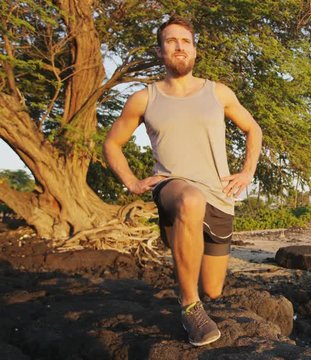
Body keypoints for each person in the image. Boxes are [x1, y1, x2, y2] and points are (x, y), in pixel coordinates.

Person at [103, 15, 262, 346]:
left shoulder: (218, 93)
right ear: (161, 52)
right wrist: (132, 181)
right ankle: (190, 308)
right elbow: (112, 143)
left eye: (185, 41)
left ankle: (194, 289)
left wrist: (247, 171)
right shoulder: (145, 98)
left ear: (194, 51)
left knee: (213, 288)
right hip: (173, 187)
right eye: (171, 41)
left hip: (219, 196)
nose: (179, 46)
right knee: (190, 200)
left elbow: (253, 129)